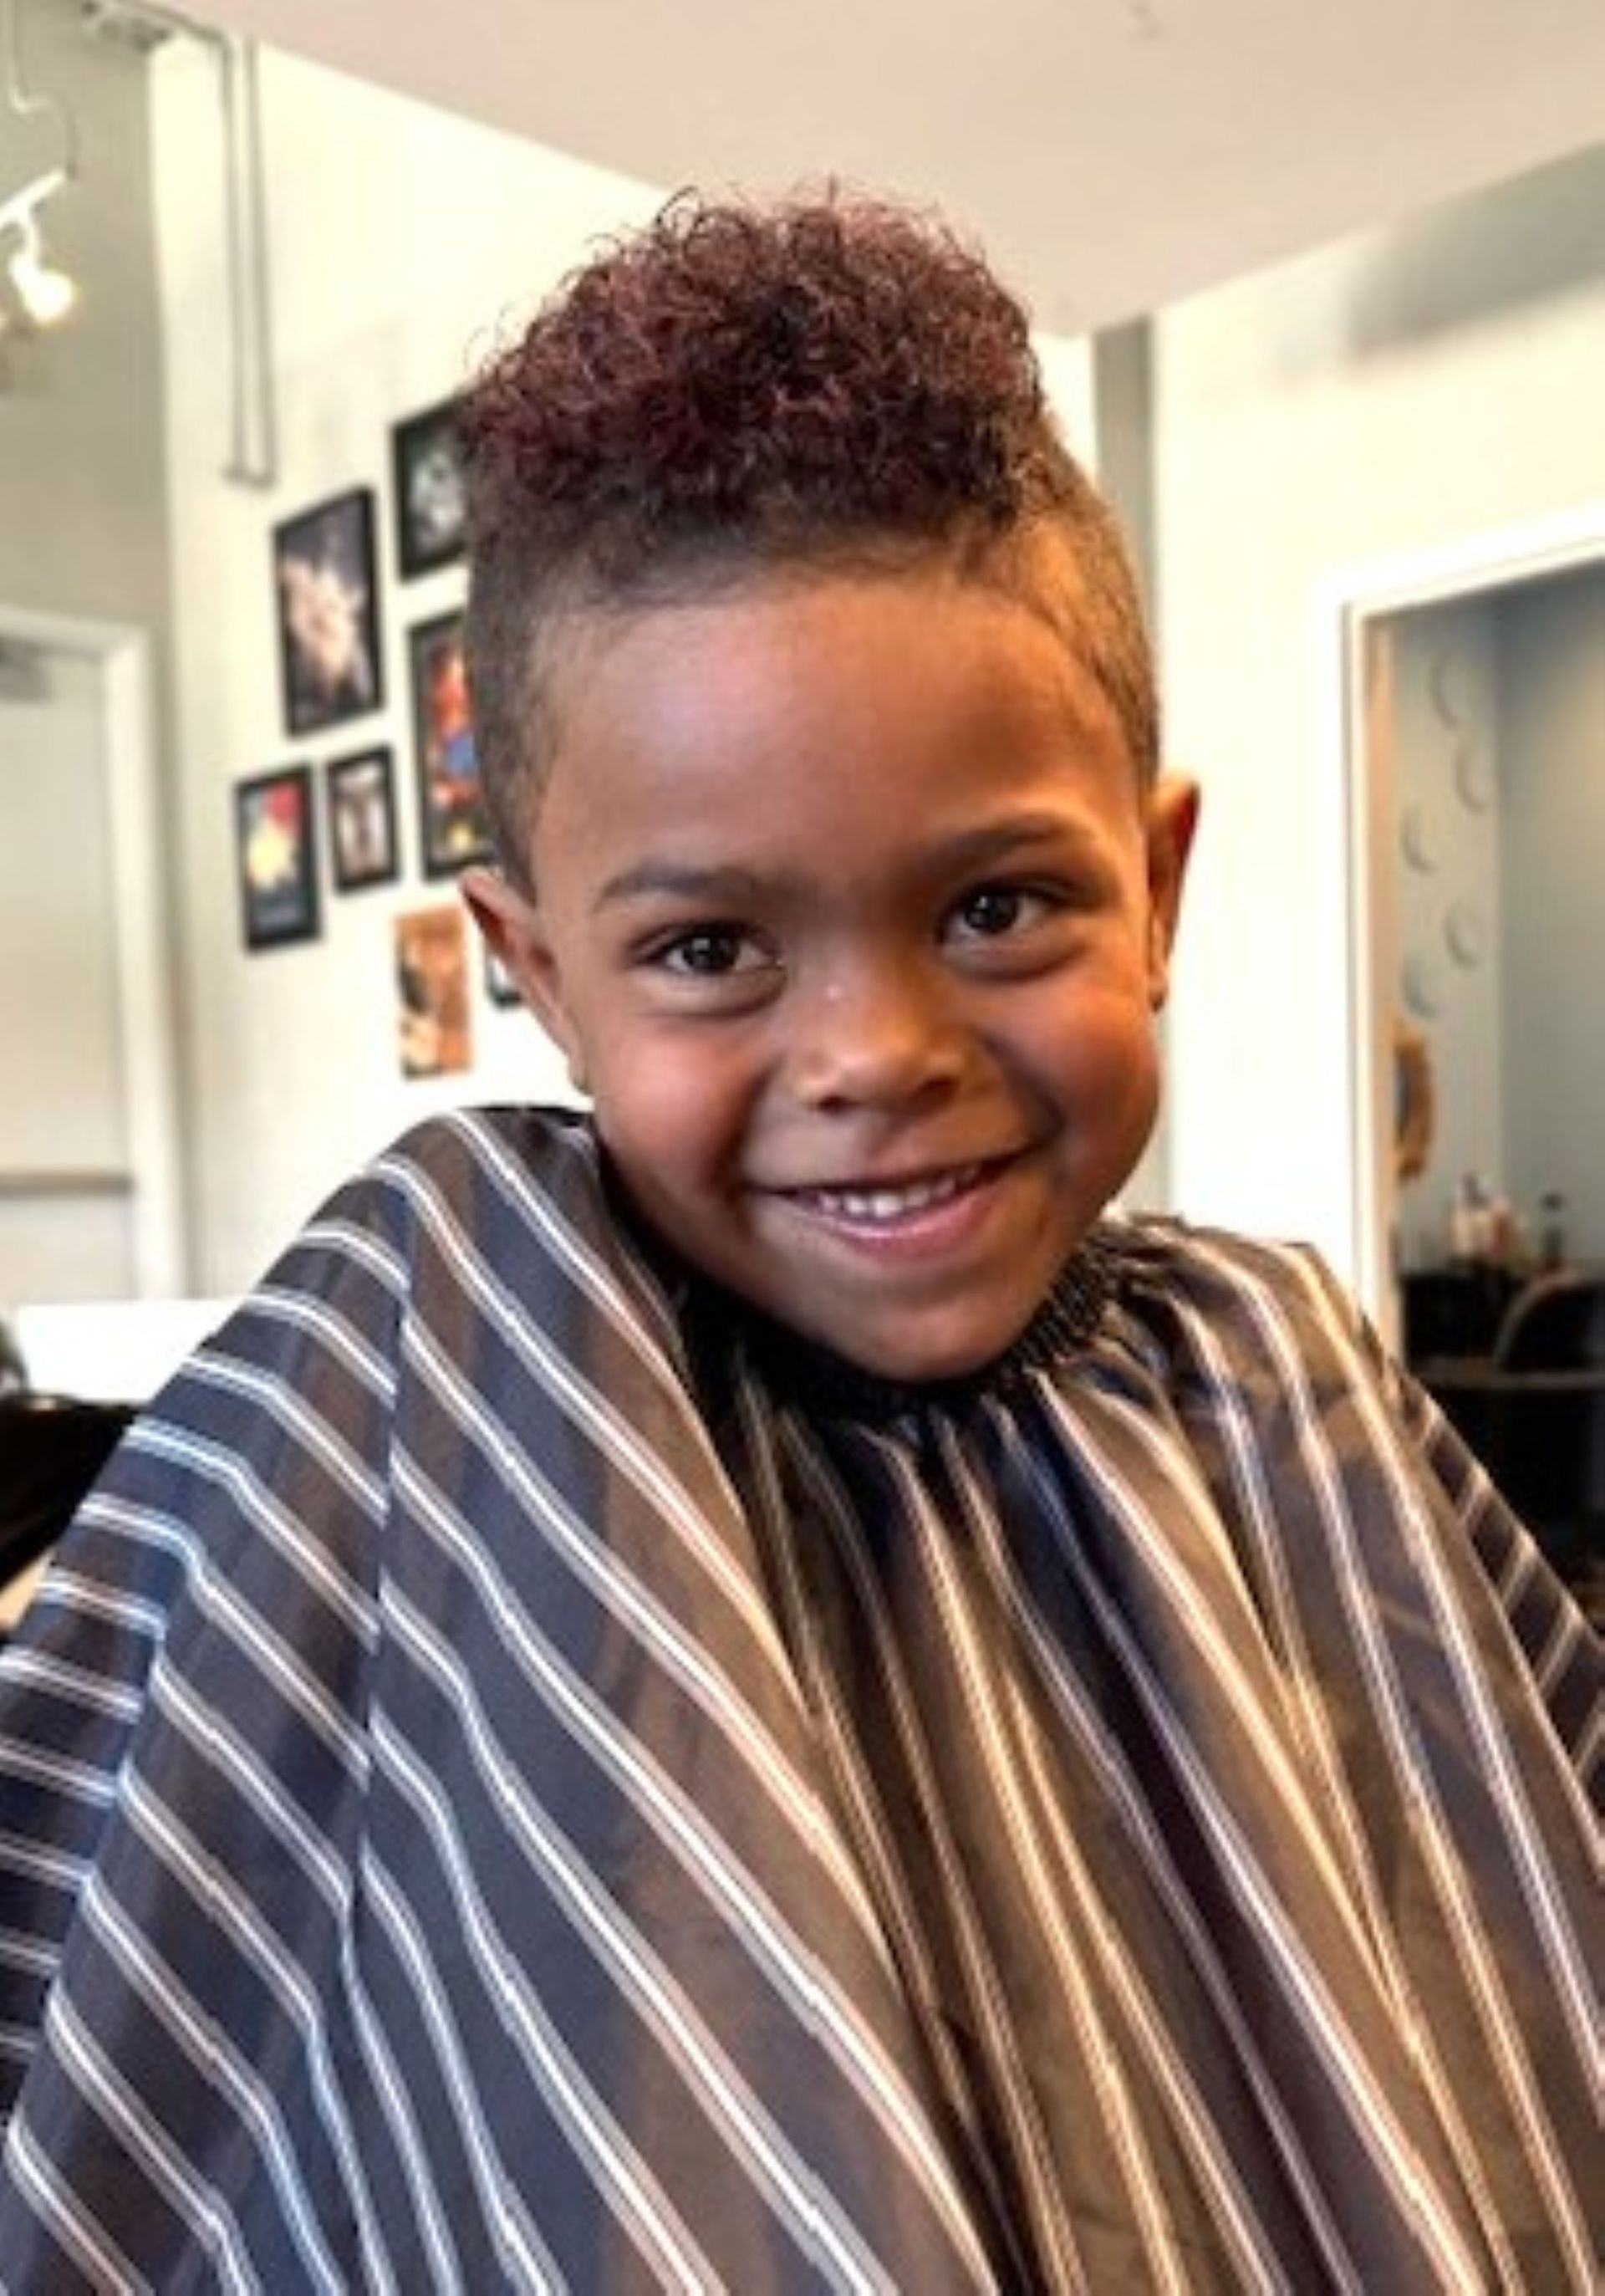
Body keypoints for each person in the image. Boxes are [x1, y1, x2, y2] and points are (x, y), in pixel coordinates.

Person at [0, 194, 1596, 2293]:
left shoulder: (1276, 1365)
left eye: (999, 906)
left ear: (1160, 874)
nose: (878, 1054)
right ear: (541, 971)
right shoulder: (445, 1336)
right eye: (712, 948)